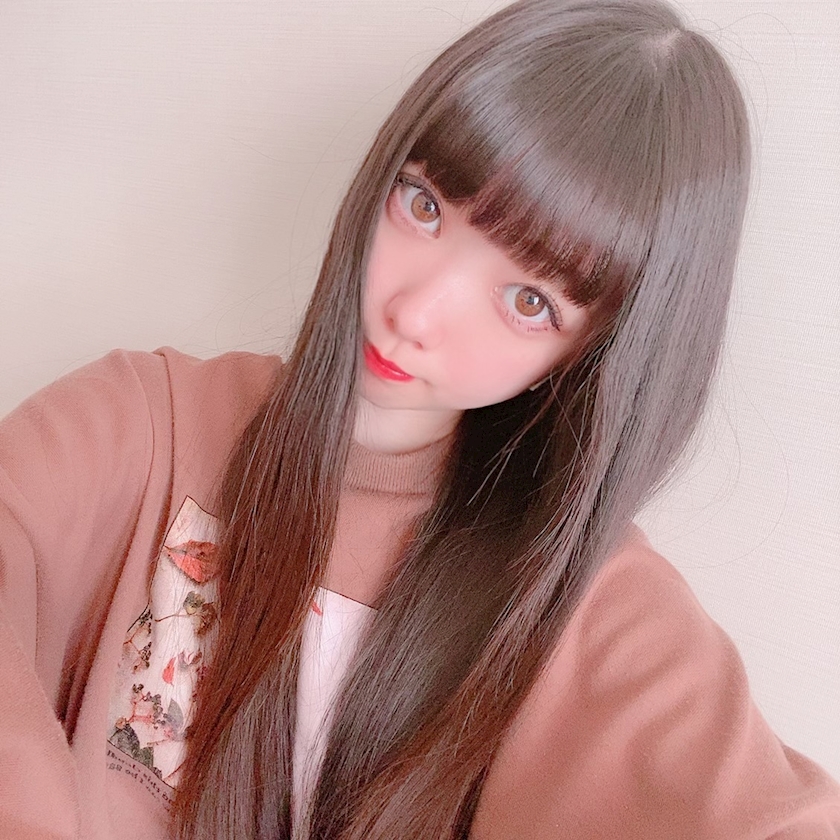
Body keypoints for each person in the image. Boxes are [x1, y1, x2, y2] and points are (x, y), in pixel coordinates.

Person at [0, 0, 837, 838]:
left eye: (528, 300)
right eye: (425, 207)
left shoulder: (582, 604)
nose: (415, 311)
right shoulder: (151, 426)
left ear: (594, 354)